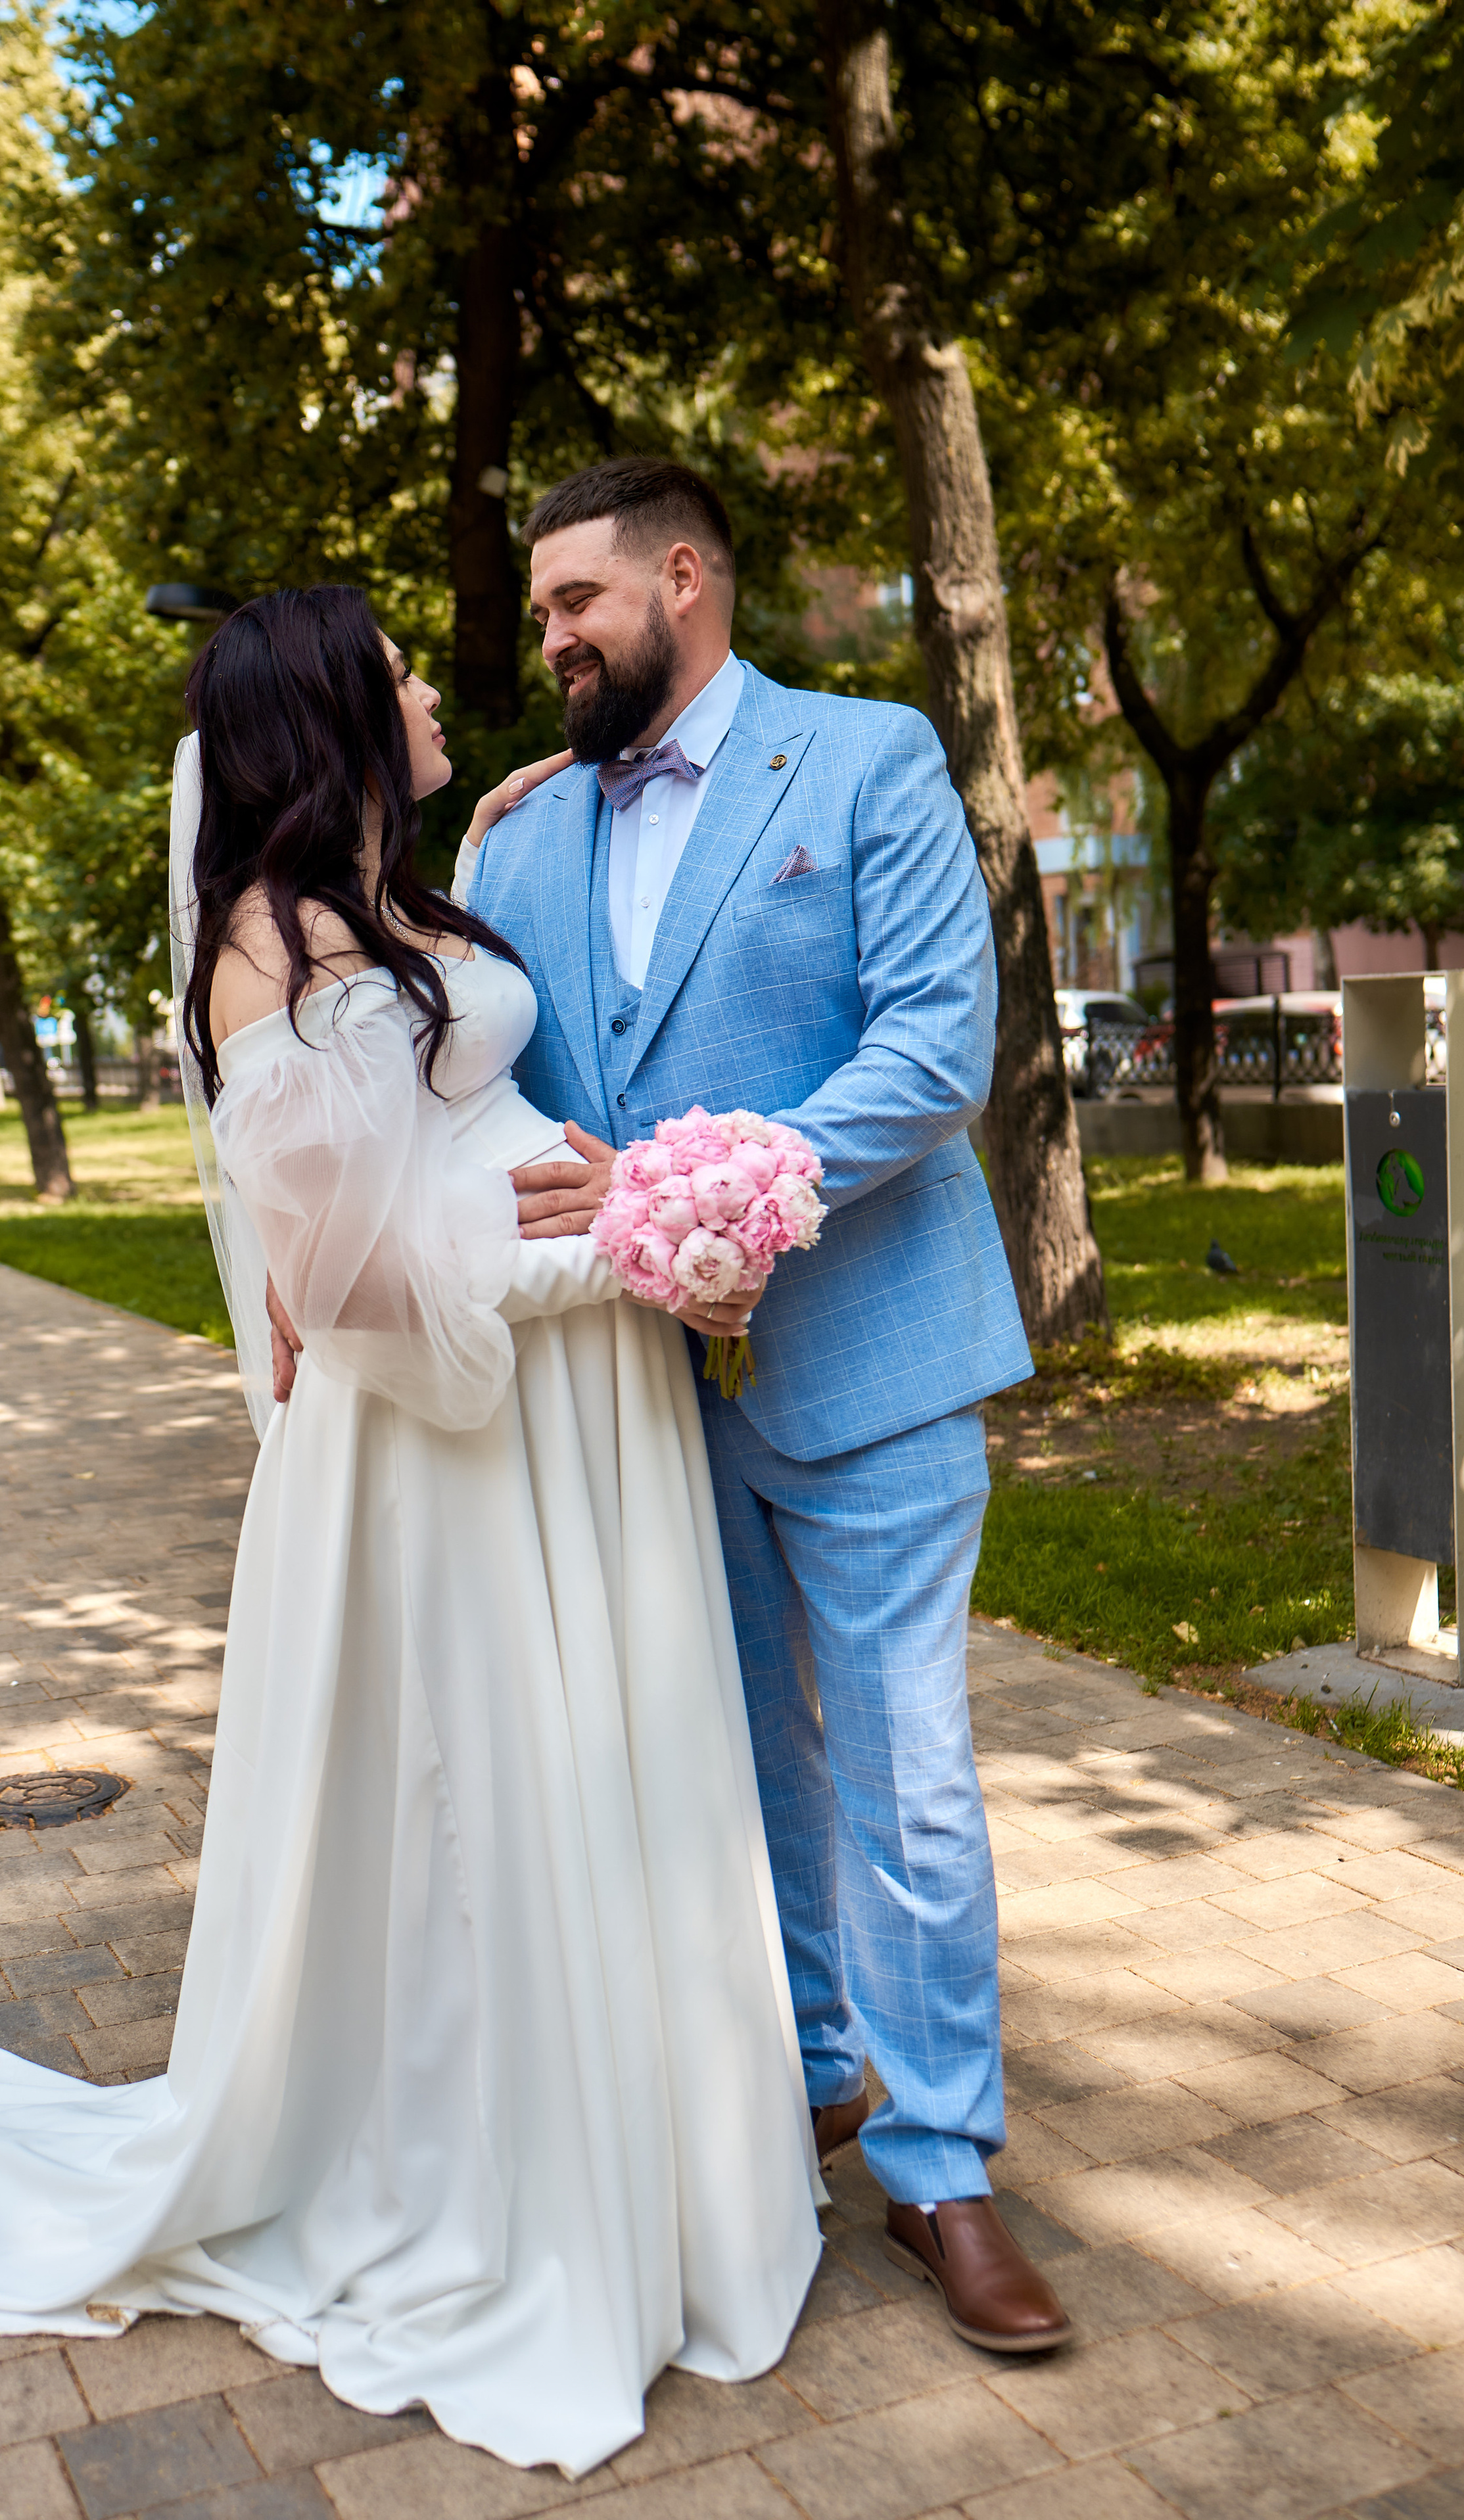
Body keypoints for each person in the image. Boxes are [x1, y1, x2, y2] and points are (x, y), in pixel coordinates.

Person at [0, 586, 822, 2479]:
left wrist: (617, 1214)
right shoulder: (269, 953)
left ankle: (654, 2153)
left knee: (595, 1769)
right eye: (406, 671)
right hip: (447, 1431)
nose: (441, 684)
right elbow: (345, 1278)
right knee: (483, 1792)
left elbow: (450, 1104)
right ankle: (492, 2179)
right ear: (335, 710)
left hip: (563, 1405)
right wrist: (616, 1247)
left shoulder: (406, 903)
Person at [452, 457, 1072, 2354]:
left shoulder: (870, 758)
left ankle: (947, 2173)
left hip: (872, 1351)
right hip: (640, 1395)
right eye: (545, 609)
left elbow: (929, 1049)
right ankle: (812, 2073)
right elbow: (491, 1077)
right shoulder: (527, 837)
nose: (551, 635)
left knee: (906, 1771)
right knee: (736, 1759)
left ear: (686, 577)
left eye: (577, 600)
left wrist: (693, 1187)